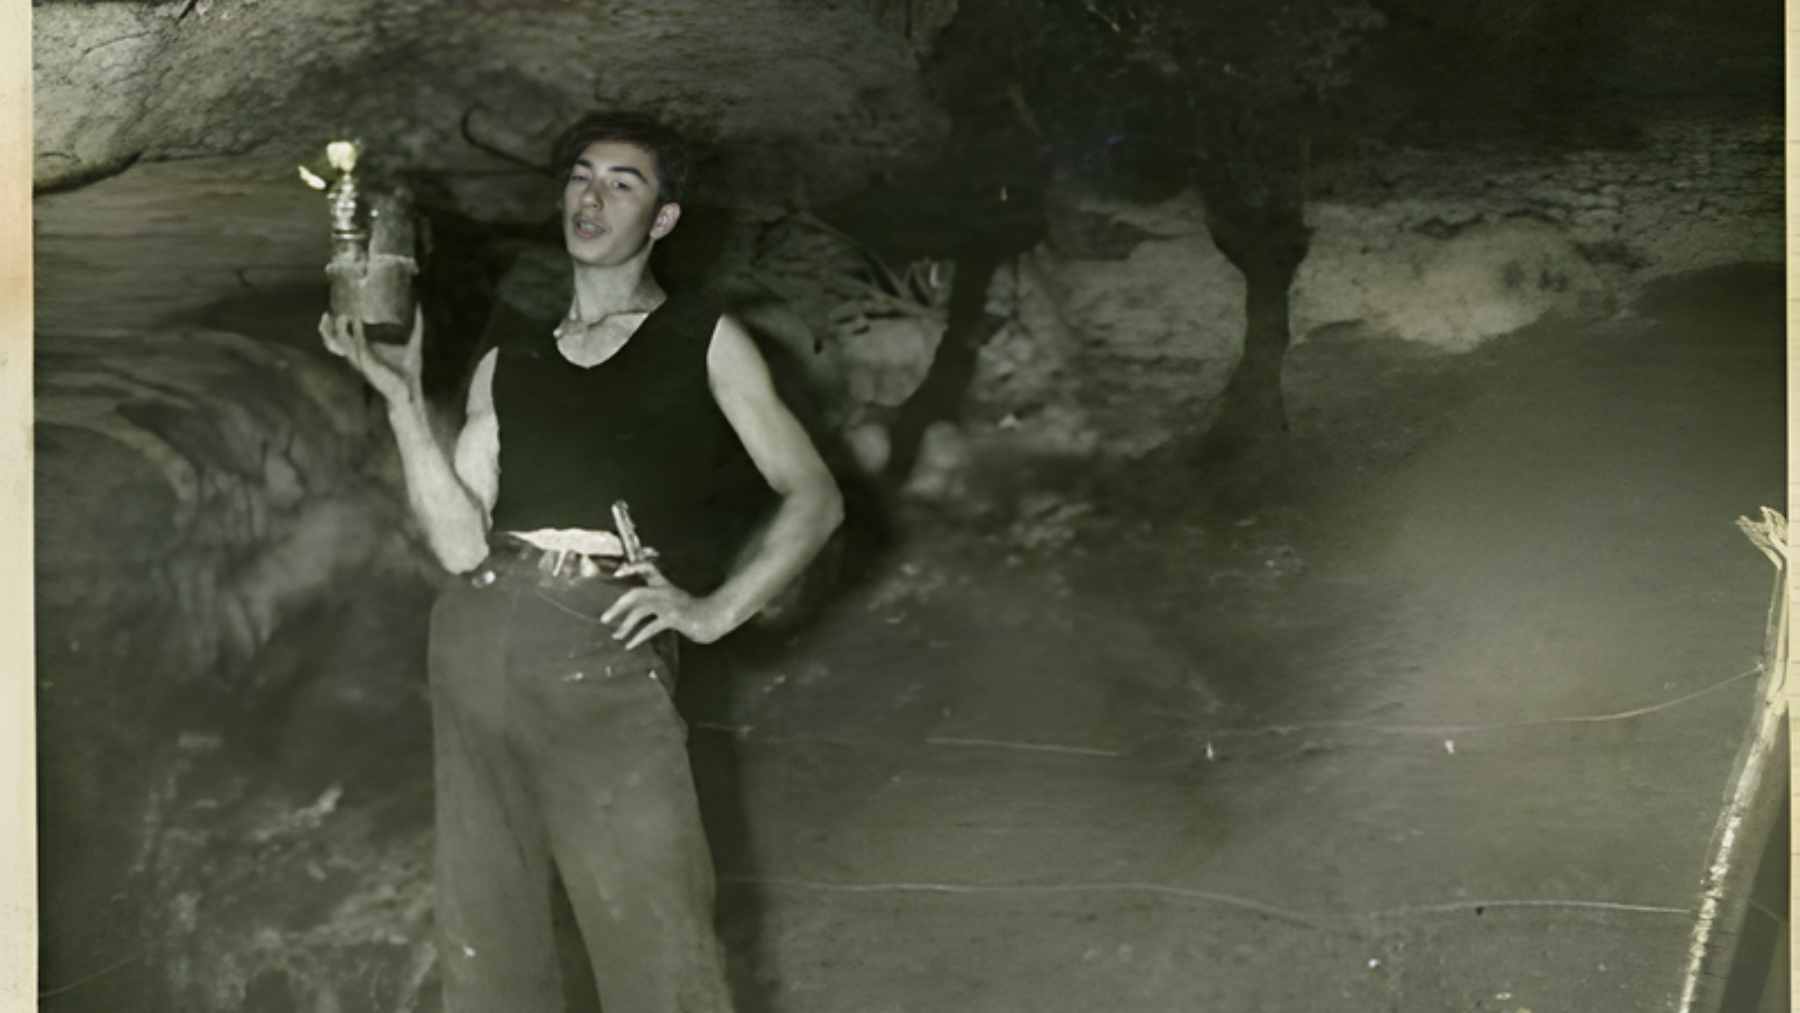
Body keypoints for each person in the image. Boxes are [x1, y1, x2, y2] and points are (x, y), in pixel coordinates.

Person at [318, 111, 843, 1012]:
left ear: (663, 219)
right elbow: (460, 543)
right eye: (581, 177)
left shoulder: (703, 337)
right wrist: (404, 406)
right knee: (489, 935)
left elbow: (815, 497)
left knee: (658, 936)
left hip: (603, 642)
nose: (591, 198)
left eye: (622, 184)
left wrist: (712, 612)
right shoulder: (508, 358)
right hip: (477, 636)